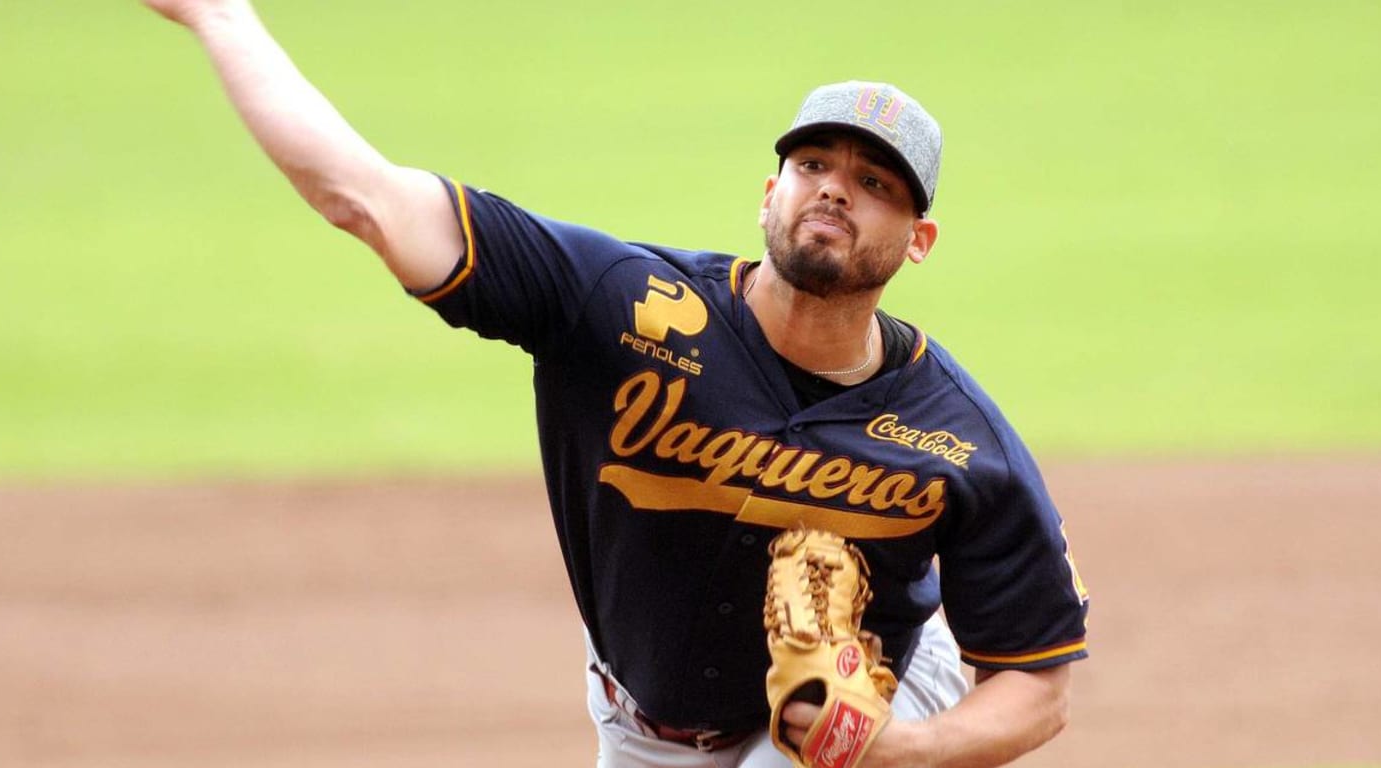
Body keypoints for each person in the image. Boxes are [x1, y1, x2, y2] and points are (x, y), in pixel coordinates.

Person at [142, 2, 1090, 766]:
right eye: (812, 164)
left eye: (878, 183)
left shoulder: (959, 440)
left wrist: (907, 749)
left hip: (866, 697)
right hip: (643, 727)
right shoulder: (619, 305)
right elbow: (366, 196)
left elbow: (1037, 685)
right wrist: (223, 18)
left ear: (918, 241)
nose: (836, 189)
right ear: (769, 194)